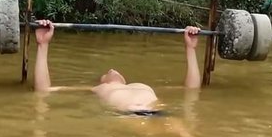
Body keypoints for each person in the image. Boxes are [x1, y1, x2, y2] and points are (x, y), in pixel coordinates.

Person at [33, 20, 202, 117]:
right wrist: (43, 45)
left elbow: (191, 90)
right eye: (106, 73)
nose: (111, 69)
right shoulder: (96, 89)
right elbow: (44, 90)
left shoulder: (138, 85)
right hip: (131, 115)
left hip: (159, 112)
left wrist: (190, 49)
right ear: (102, 81)